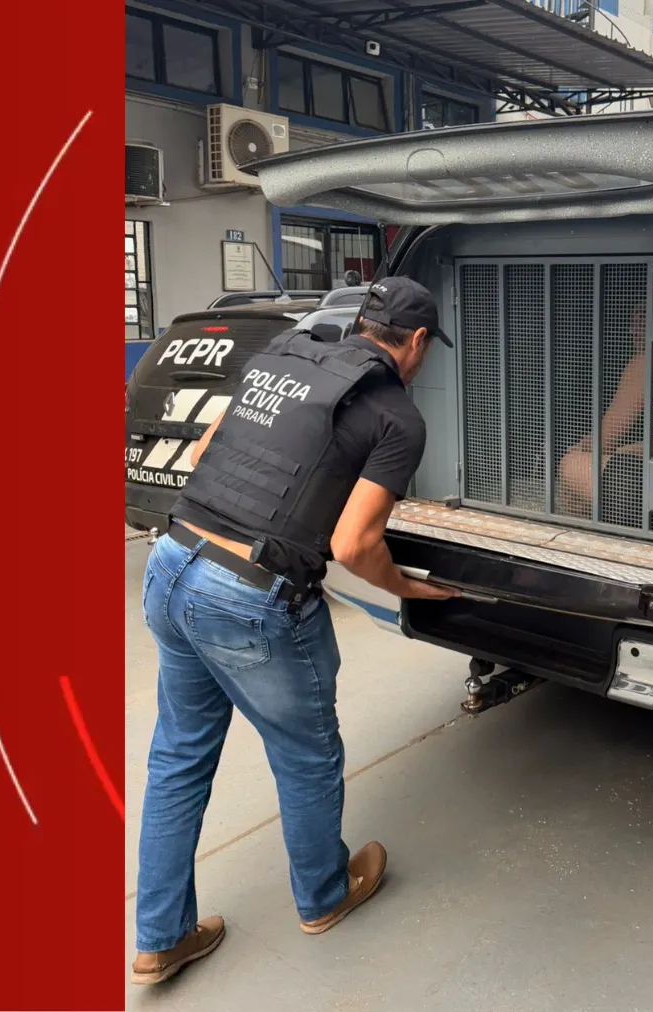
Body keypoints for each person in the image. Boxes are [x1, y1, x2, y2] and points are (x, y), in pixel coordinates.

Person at [131, 277, 457, 986]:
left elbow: (201, 457)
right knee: (307, 756)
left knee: (179, 756)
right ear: (417, 343)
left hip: (171, 560)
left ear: (361, 321)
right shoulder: (396, 417)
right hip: (250, 596)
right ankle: (324, 894)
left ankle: (159, 938)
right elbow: (353, 544)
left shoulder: (282, 354)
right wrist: (408, 588)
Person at [557, 303, 653, 513]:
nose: (632, 330)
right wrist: (624, 451)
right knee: (628, 456)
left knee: (572, 464)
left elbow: (604, 439)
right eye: (633, 322)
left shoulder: (647, 362)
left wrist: (581, 449)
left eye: (642, 320)